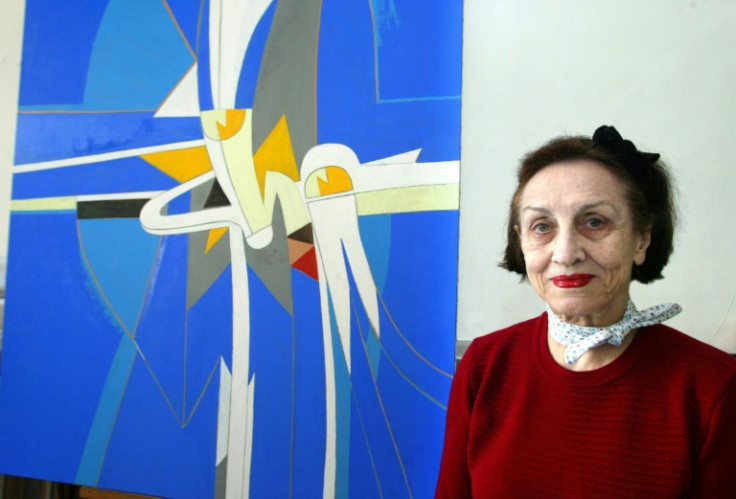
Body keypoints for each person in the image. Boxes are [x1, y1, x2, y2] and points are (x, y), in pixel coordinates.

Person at [435, 125, 736, 497]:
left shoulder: (715, 388)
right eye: (542, 226)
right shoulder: (483, 365)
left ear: (642, 238)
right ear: (522, 241)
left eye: (594, 222)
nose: (565, 253)